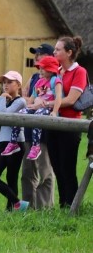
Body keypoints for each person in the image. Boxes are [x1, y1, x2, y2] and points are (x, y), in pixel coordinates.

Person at [45, 36, 88, 208]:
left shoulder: (80, 72)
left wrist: (48, 103)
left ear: (69, 52)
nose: (54, 52)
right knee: (56, 166)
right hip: (52, 123)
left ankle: (72, 206)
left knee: (67, 167)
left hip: (70, 124)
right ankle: (63, 204)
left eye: (58, 49)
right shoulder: (56, 72)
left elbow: (71, 100)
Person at [3, 55, 63, 161]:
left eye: (43, 68)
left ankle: (36, 146)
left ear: (50, 69)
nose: (40, 70)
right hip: (36, 107)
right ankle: (13, 142)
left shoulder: (56, 81)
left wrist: (54, 111)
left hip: (47, 108)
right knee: (20, 113)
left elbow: (59, 98)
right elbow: (33, 97)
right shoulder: (39, 82)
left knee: (38, 116)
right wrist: (29, 106)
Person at [0, 71, 29, 211]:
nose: (6, 85)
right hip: (1, 143)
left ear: (18, 85)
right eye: (4, 82)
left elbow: (5, 115)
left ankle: (11, 210)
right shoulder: (3, 99)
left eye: (9, 82)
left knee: (12, 177)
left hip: (15, 143)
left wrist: (2, 100)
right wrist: (1, 100)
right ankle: (17, 203)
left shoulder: (21, 101)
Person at [20, 43, 56, 209]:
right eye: (36, 54)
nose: (37, 57)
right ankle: (27, 208)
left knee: (45, 172)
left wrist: (42, 103)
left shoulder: (56, 79)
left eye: (40, 54)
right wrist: (34, 101)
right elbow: (25, 97)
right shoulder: (35, 78)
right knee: (27, 173)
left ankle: (44, 209)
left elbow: (56, 99)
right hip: (29, 130)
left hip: (44, 132)